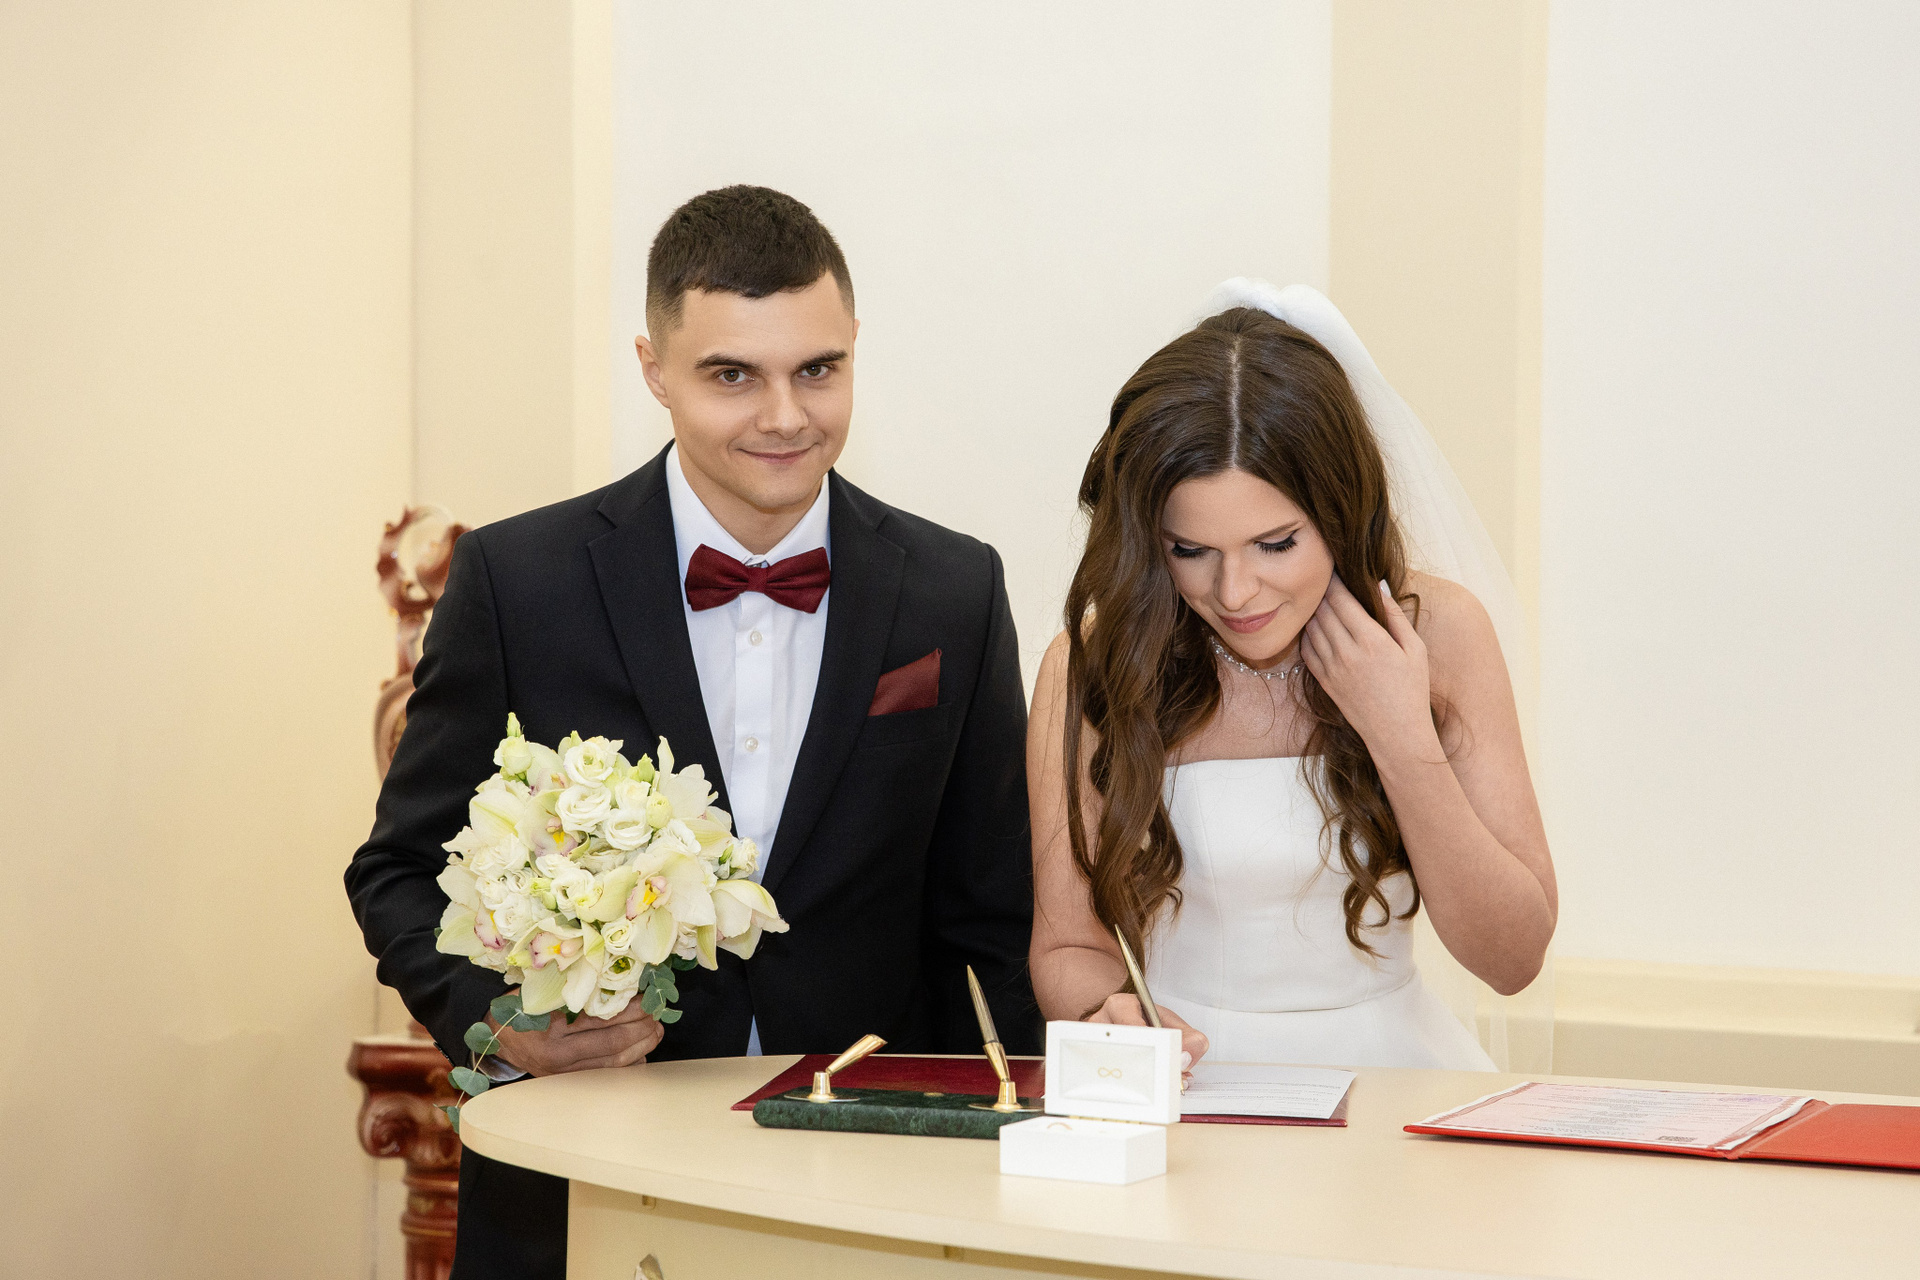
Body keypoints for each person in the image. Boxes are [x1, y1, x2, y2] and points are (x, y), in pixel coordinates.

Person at [346, 185, 1040, 1280]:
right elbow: (395, 870)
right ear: (654, 368)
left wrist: (1015, 1173)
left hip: (874, 1187)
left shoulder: (954, 588)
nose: (785, 415)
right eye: (732, 375)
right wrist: (497, 1020)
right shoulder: (518, 582)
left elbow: (994, 916)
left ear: (855, 349)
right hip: (583, 1170)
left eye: (818, 369)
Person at [1027, 282, 1556, 1074]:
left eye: (1276, 544)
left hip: (1394, 1077)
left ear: (1341, 511)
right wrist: (1109, 1011)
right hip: (1188, 1082)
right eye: (1190, 551)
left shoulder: (1440, 633)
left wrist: (1399, 732)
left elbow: (1513, 959)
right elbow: (1067, 945)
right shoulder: (1091, 664)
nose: (1235, 593)